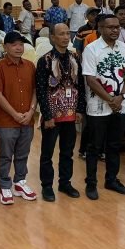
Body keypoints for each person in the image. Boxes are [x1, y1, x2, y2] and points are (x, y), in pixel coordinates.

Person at [82, 14, 125, 199]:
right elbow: (90, 79)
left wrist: (121, 97)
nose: (115, 30)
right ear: (101, 29)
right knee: (94, 147)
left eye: (117, 27)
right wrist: (110, 99)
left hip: (120, 105)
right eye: (110, 27)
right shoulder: (91, 49)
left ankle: (111, 180)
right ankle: (91, 183)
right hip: (98, 107)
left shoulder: (124, 47)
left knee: (114, 145)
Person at [36, 23, 85, 201]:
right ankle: (47, 186)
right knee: (47, 153)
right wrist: (47, 116)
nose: (65, 37)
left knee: (67, 152)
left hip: (71, 113)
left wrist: (80, 109)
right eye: (61, 34)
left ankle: (65, 183)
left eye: (67, 33)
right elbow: (41, 90)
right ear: (53, 37)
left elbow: (80, 85)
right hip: (52, 115)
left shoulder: (74, 58)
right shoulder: (45, 60)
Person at [0, 32, 37, 204]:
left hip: (28, 119)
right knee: (6, 155)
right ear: (6, 47)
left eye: (21, 44)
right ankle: (4, 185)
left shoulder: (30, 66)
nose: (19, 48)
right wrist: (15, 114)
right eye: (14, 44)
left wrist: (31, 111)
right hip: (7, 122)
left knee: (23, 154)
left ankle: (20, 182)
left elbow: (35, 90)